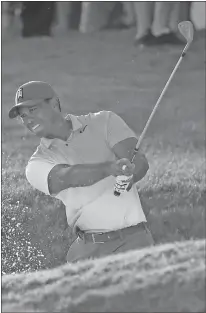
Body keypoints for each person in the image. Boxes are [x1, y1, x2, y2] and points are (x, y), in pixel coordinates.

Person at [9, 81, 154, 263]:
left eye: (33, 110)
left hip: (135, 241)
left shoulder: (104, 121)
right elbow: (66, 177)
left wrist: (132, 173)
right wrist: (109, 168)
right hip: (87, 251)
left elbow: (138, 161)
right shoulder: (37, 163)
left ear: (54, 103)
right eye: (22, 116)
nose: (27, 119)